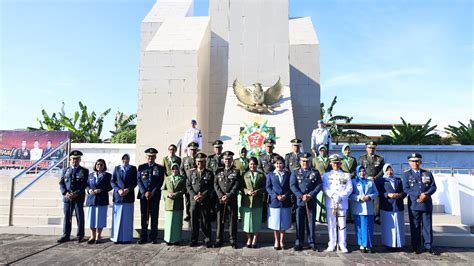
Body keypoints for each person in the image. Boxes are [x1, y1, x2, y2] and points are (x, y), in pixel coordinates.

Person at [401, 153, 439, 255]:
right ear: (409, 163)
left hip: (426, 203)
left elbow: (433, 186)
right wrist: (418, 195)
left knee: (427, 226)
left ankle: (428, 246)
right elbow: (406, 188)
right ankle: (416, 247)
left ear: (420, 162)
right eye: (413, 161)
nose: (415, 163)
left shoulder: (427, 173)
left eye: (417, 161)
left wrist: (425, 194)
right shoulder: (406, 174)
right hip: (414, 203)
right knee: (415, 226)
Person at [290, 152, 322, 252]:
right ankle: (298, 243)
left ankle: (312, 242)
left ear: (310, 161)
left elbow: (319, 185)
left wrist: (310, 195)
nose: (305, 163)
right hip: (300, 202)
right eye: (303, 161)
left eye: (307, 161)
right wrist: (300, 196)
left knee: (311, 223)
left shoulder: (315, 172)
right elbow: (292, 186)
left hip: (310, 201)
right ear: (300, 161)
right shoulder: (295, 172)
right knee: (299, 223)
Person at [323, 154, 353, 253]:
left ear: (340, 163)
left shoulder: (346, 175)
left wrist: (341, 196)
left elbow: (349, 188)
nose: (335, 164)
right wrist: (332, 195)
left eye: (337, 163)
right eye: (333, 163)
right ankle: (332, 243)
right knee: (331, 224)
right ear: (331, 163)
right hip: (331, 203)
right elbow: (325, 187)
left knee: (342, 224)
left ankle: (342, 244)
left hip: (341, 203)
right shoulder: (326, 175)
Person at [57, 150, 89, 243]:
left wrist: (76, 193)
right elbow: (61, 183)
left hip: (78, 197)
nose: (75, 160)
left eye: (77, 159)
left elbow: (84, 184)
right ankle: (66, 235)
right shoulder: (65, 170)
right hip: (67, 198)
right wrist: (65, 193)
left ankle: (80, 235)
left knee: (80, 216)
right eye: (73, 159)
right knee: (67, 217)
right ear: (70, 159)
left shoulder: (84, 171)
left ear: (80, 160)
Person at [137, 148, 165, 244]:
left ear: (155, 157)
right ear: (146, 157)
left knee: (154, 216)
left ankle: (153, 237)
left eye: (152, 156)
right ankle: (143, 236)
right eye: (149, 156)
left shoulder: (160, 168)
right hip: (143, 195)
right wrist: (144, 192)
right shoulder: (141, 167)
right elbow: (139, 180)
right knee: (144, 216)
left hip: (155, 195)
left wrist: (152, 192)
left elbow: (160, 182)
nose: (150, 158)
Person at [376, 163, 406, 251]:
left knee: (398, 226)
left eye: (391, 170)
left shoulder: (398, 180)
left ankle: (398, 244)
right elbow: (378, 192)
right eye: (387, 170)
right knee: (389, 226)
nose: (390, 172)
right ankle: (389, 244)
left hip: (398, 206)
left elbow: (405, 191)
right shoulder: (380, 180)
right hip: (387, 206)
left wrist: (400, 195)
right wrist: (387, 194)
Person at [187, 153, 214, 248]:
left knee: (205, 221)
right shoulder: (191, 172)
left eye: (201, 161)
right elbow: (188, 185)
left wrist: (203, 195)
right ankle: (194, 239)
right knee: (194, 221)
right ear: (195, 162)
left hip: (205, 200)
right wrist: (194, 196)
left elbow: (211, 186)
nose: (200, 163)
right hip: (194, 200)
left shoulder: (209, 173)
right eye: (198, 161)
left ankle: (207, 239)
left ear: (204, 162)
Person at [214, 151, 240, 249]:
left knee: (233, 220)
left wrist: (228, 195)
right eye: (225, 159)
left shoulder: (236, 171)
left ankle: (233, 240)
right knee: (220, 219)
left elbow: (236, 185)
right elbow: (215, 184)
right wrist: (221, 196)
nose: (227, 161)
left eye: (229, 159)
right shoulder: (218, 171)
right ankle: (218, 239)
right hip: (220, 200)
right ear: (223, 160)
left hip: (231, 199)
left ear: (232, 160)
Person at [350, 166, 378, 253]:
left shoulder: (370, 182)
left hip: (369, 208)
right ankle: (362, 244)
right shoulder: (353, 182)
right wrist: (359, 198)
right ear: (357, 172)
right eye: (360, 171)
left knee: (369, 227)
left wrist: (369, 197)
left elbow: (376, 192)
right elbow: (350, 195)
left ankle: (369, 245)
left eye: (363, 171)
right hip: (359, 208)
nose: (362, 173)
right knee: (360, 227)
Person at [266, 156, 292, 250]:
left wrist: (285, 195)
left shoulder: (288, 174)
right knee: (275, 222)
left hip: (285, 201)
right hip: (274, 202)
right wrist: (276, 196)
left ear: (283, 164)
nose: (279, 165)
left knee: (283, 222)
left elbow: (291, 187)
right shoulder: (270, 175)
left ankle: (282, 240)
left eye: (280, 163)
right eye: (277, 163)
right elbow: (268, 187)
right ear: (274, 164)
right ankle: (276, 240)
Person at [110, 153, 137, 244]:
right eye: (123, 159)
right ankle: (116, 238)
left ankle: (126, 238)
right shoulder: (117, 168)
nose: (125, 160)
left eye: (127, 159)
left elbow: (135, 181)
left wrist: (128, 189)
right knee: (117, 218)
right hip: (118, 196)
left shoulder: (133, 169)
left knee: (127, 218)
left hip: (128, 196)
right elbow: (112, 181)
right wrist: (118, 190)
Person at [85, 159, 112, 244]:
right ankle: (92, 235)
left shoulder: (108, 175)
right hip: (91, 199)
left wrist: (101, 190)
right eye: (98, 164)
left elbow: (110, 187)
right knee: (91, 219)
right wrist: (89, 190)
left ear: (104, 166)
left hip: (101, 199)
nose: (99, 166)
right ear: (95, 165)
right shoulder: (90, 175)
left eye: (101, 165)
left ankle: (98, 235)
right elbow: (87, 185)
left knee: (99, 219)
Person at [241, 157, 266, 248]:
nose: (252, 166)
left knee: (256, 221)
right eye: (251, 164)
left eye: (254, 164)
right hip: (247, 201)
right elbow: (241, 187)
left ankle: (255, 238)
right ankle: (249, 238)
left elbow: (265, 188)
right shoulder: (244, 174)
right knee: (247, 222)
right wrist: (247, 191)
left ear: (257, 165)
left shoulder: (261, 175)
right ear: (248, 164)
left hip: (257, 201)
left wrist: (258, 191)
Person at [358, 141, 385, 223]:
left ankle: (376, 216)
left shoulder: (380, 158)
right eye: (369, 148)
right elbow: (359, 169)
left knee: (377, 198)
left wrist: (376, 177)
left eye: (373, 148)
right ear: (366, 148)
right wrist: (367, 177)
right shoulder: (362, 158)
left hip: (376, 180)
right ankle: (367, 214)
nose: (371, 150)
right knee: (367, 197)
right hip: (366, 181)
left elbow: (382, 170)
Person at [162, 163, 187, 245]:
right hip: (169, 203)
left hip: (178, 203)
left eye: (176, 169)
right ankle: (168, 239)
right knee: (169, 222)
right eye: (173, 169)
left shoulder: (182, 178)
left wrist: (177, 194)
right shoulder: (167, 178)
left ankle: (176, 239)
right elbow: (163, 189)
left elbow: (184, 189)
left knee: (177, 222)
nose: (174, 170)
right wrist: (168, 195)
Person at [181, 142, 198, 222]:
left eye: (194, 150)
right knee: (187, 200)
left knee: (196, 199)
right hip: (187, 183)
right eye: (191, 150)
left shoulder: (200, 159)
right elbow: (182, 170)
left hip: (196, 183)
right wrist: (185, 179)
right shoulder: (185, 159)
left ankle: (196, 214)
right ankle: (188, 214)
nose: (193, 151)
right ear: (188, 150)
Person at [313, 145, 330, 223]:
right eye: (321, 150)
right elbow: (312, 170)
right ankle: (318, 217)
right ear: (319, 151)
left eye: (324, 150)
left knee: (326, 198)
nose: (322, 152)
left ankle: (325, 217)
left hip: (327, 181)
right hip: (318, 181)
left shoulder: (329, 160)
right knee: (319, 198)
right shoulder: (315, 159)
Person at [341, 144, 357, 223]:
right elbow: (340, 169)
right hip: (344, 180)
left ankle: (352, 217)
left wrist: (352, 174)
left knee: (351, 197)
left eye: (348, 149)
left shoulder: (353, 159)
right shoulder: (340, 160)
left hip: (352, 179)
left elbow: (356, 169)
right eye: (345, 150)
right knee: (345, 197)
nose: (347, 151)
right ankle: (346, 217)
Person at [234, 147, 249, 221]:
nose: (243, 153)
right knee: (238, 199)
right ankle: (239, 215)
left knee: (245, 199)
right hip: (238, 181)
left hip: (246, 182)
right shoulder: (235, 161)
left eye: (245, 152)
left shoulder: (249, 161)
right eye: (242, 152)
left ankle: (244, 214)